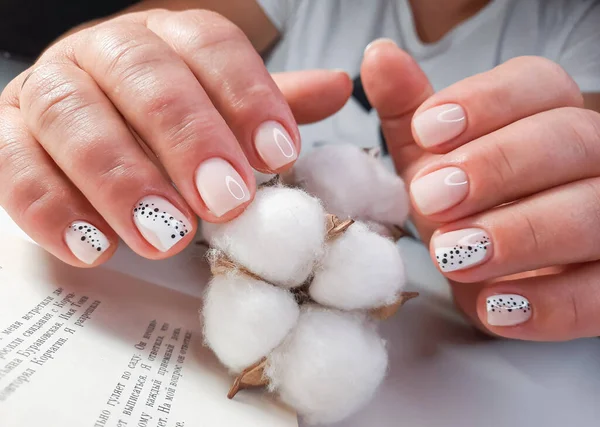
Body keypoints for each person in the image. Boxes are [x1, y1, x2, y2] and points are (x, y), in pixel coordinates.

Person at [0, 0, 599, 343]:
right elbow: (111, 42)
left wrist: (552, 244)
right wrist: (82, 81)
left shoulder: (578, 31)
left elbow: (579, 193)